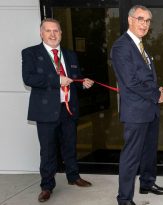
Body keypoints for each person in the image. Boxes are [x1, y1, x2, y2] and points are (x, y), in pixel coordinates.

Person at [22, 18, 94, 202]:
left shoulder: (70, 54)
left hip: (68, 109)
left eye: (56, 31)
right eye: (48, 31)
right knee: (48, 150)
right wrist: (57, 80)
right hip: (46, 111)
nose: (53, 34)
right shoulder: (30, 53)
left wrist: (82, 82)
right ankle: (47, 186)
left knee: (70, 145)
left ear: (61, 33)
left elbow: (74, 78)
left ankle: (73, 177)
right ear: (41, 33)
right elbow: (29, 79)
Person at [111, 5, 163, 205]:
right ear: (130, 20)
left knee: (148, 151)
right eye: (140, 19)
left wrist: (158, 89)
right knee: (131, 157)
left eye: (147, 21)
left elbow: (144, 80)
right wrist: (155, 95)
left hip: (149, 110)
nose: (144, 24)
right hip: (136, 112)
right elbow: (130, 82)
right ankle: (124, 198)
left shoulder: (142, 46)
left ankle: (147, 183)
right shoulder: (121, 47)